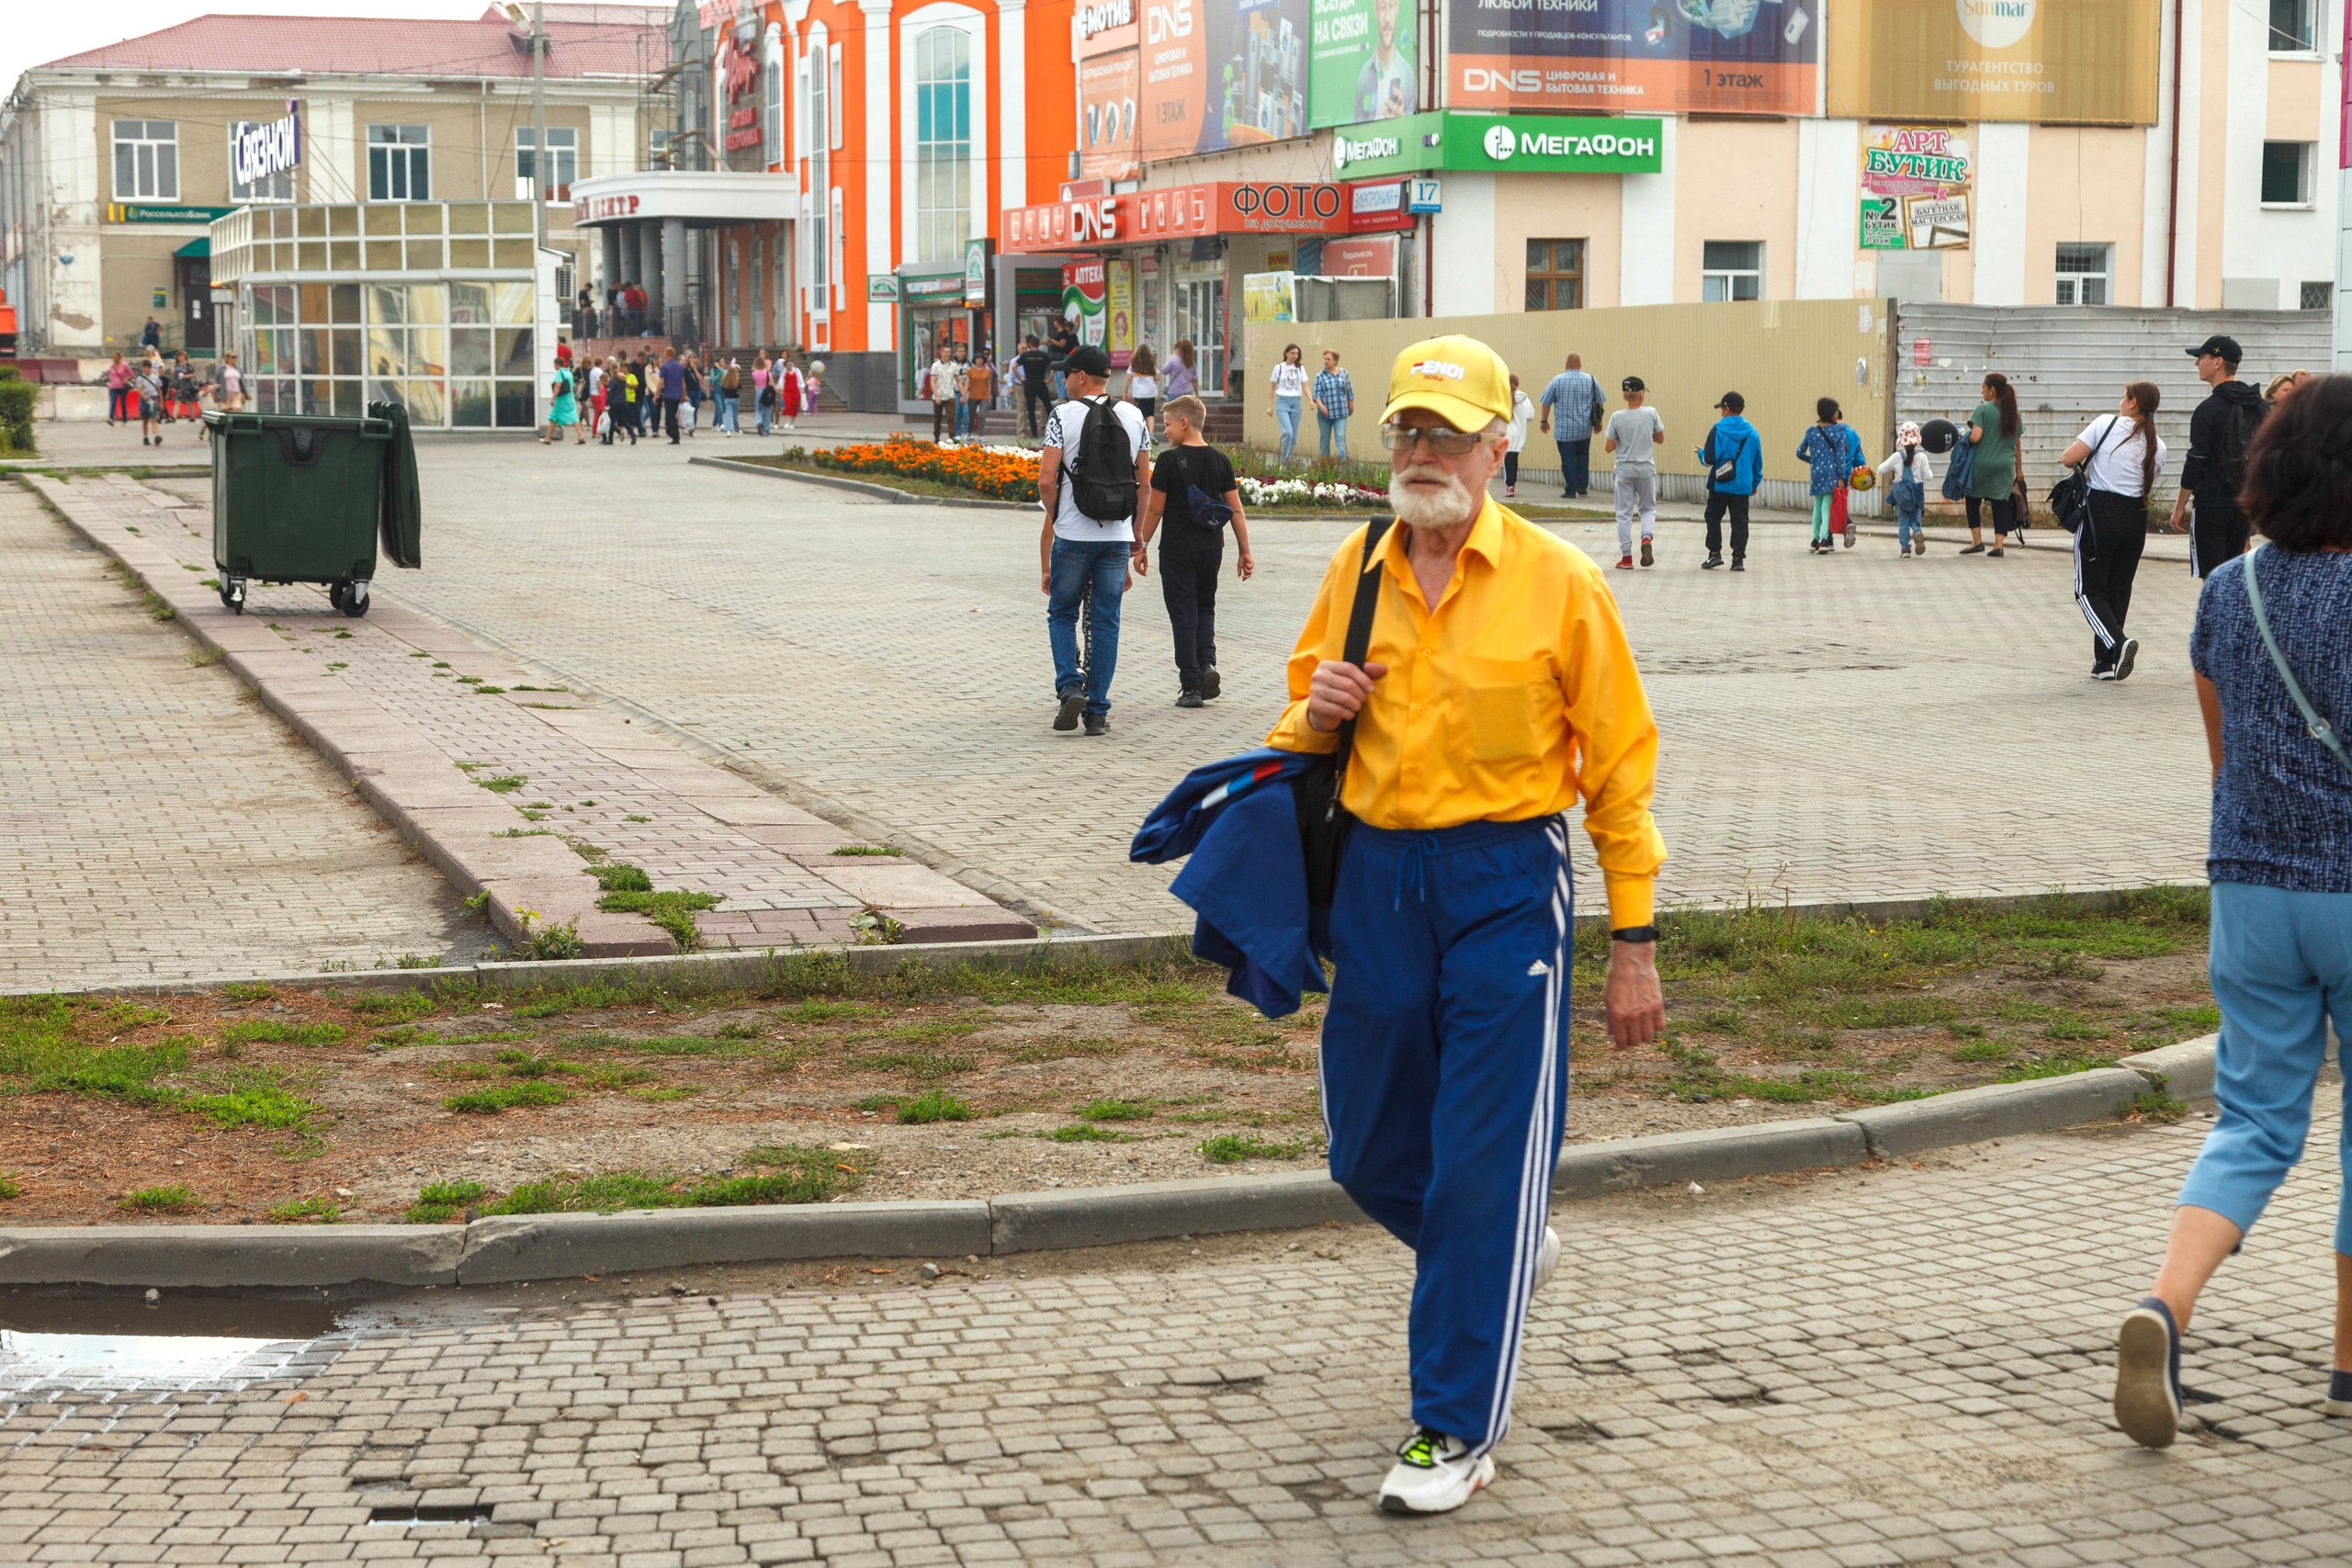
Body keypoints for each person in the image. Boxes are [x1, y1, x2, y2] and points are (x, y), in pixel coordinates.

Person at [1267, 333, 1665, 1516]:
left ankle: (1453, 1427)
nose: (1422, 452)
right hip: (1377, 879)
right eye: (1406, 429)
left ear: (1503, 444)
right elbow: (1297, 723)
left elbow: (1621, 771)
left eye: (1447, 432)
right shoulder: (1357, 569)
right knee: (1367, 1153)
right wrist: (1315, 705)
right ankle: (1500, 1246)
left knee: (1484, 1163)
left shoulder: (1559, 582)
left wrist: (1632, 942)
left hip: (1507, 885)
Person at [2110, 373, 2352, 1452]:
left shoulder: (2226, 590)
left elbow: (2225, 761)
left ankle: (2165, 1307)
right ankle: (2349, 1366)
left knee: (2252, 1120)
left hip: (2249, 888)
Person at [1039, 344, 1151, 737]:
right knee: (1106, 622)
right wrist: (1136, 533)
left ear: (1081, 377)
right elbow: (1145, 483)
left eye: (1066, 374)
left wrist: (1056, 518)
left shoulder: (1061, 415)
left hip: (1072, 533)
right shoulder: (1135, 416)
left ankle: (1070, 686)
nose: (1063, 380)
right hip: (1118, 535)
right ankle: (1098, 712)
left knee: (1062, 613)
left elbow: (1046, 479)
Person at [1135, 392, 1254, 707]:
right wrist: (1245, 551)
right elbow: (1236, 510)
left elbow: (1155, 511)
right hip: (1212, 548)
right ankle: (1207, 664)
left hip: (1177, 551)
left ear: (1184, 423)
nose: (1165, 432)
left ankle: (1190, 686)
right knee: (1205, 608)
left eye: (1168, 425)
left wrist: (1141, 545)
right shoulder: (1221, 460)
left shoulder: (1169, 462)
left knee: (1183, 615)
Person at [2060, 381, 2167, 682]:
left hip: (2100, 514)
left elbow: (2069, 458)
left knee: (2087, 590)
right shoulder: (2159, 445)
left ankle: (2118, 644)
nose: (2121, 401)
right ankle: (2104, 664)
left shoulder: (2105, 423)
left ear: (2133, 402)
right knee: (2118, 588)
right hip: (2136, 518)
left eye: (2124, 396)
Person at [2171, 334, 2267, 579]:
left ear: (2218, 362)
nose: (2197, 364)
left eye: (2201, 357)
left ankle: (2216, 618)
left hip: (2212, 503)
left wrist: (2180, 505)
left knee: (2213, 578)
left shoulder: (2208, 409)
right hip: (2245, 504)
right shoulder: (2259, 405)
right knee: (2234, 576)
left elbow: (2196, 460)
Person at [1603, 376, 1663, 570]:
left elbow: (1609, 447)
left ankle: (1626, 558)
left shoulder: (1616, 417)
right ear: (1642, 395)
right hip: (1646, 469)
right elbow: (1660, 438)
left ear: (1624, 396)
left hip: (1624, 470)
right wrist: (1646, 435)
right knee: (1647, 509)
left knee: (1623, 514)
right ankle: (1646, 539)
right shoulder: (1651, 413)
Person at [1698, 391, 1762, 571]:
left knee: (1713, 516)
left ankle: (1715, 554)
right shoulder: (1752, 433)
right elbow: (1757, 461)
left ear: (1726, 408)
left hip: (1720, 483)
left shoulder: (1717, 430)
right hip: (1742, 485)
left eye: (1722, 408)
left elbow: (1710, 458)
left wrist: (1701, 453)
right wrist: (1754, 483)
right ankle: (1738, 558)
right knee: (1740, 521)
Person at [1960, 371, 2021, 557]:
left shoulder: (1983, 410)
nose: (1982, 392)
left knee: (1972, 500)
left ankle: (1977, 541)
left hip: (1982, 465)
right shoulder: (2013, 412)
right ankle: (1998, 545)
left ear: (1992, 390)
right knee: (2000, 503)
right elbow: (2017, 443)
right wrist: (2019, 470)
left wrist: (1963, 436)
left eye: (1983, 388)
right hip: (2006, 466)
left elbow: (1976, 437)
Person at [1536, 354, 1602, 499]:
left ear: (1566, 365)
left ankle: (1570, 490)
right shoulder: (1590, 380)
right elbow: (1600, 402)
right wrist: (1599, 422)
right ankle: (1582, 485)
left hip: (1564, 430)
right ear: (1580, 364)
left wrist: (1544, 421)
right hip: (1584, 428)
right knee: (1583, 455)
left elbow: (1546, 403)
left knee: (1567, 458)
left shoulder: (1557, 380)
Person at [1797, 398, 1851, 556]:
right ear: (1830, 412)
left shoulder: (1812, 431)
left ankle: (1814, 540)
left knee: (1817, 506)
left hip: (1816, 473)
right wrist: (1841, 477)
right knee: (1827, 506)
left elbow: (1799, 452)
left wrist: (1813, 461)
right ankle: (1824, 540)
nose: (1837, 413)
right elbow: (1840, 456)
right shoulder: (1838, 430)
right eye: (1835, 410)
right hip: (1831, 473)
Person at [1875, 420, 1934, 561]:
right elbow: (1929, 477)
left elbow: (1881, 468)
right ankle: (1918, 531)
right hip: (1917, 495)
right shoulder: (1922, 457)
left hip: (1900, 495)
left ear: (1901, 440)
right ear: (1917, 440)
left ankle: (1905, 549)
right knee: (1915, 519)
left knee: (1903, 521)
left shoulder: (1897, 457)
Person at [1353, 0, 1416, 118]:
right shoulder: (1364, 76)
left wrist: (1401, 121)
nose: (1387, 18)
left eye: (1391, 7)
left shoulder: (1408, 73)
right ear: (1376, 12)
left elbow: (1411, 128)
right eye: (1382, 8)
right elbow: (1356, 127)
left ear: (1397, 8)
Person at [1313, 349, 1355, 460]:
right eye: (1325, 359)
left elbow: (1350, 391)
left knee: (1340, 437)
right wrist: (1321, 406)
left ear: (1335, 361)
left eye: (1329, 359)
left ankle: (1342, 467)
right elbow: (1316, 395)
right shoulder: (1320, 376)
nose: (1326, 361)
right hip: (1325, 414)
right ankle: (1325, 466)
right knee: (1325, 439)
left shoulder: (1344, 373)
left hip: (1341, 413)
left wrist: (1351, 405)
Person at [1269, 343, 1308, 462]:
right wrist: (1270, 406)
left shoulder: (1300, 368)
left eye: (1296, 353)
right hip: (1282, 401)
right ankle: (1284, 460)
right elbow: (1271, 387)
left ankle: (1288, 461)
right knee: (1287, 432)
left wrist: (1310, 400)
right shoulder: (1279, 368)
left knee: (1294, 435)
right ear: (1286, 353)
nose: (1294, 356)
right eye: (1292, 353)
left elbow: (1305, 385)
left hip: (1296, 401)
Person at [1502, 374, 1534, 498]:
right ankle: (1512, 484)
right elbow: (1530, 415)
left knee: (1508, 461)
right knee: (1514, 460)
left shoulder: (1502, 397)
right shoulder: (1523, 397)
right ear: (1518, 383)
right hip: (1519, 434)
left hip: (1507, 433)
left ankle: (1510, 486)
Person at [1017, 335, 1054, 438]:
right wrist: (1049, 379)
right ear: (1039, 344)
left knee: (1031, 408)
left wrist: (1020, 378)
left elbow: (1014, 366)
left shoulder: (1025, 355)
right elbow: (1053, 367)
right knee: (1048, 406)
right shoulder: (1043, 355)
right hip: (1041, 382)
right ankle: (1054, 428)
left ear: (1029, 344)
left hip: (1029, 383)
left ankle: (1034, 433)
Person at [543, 356, 582, 446]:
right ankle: (580, 436)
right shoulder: (569, 372)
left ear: (556, 364)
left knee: (553, 417)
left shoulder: (559, 373)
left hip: (561, 400)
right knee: (574, 417)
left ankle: (548, 438)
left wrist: (553, 398)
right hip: (570, 398)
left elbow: (558, 386)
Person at [929, 343, 960, 442]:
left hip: (950, 395)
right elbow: (933, 381)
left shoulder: (954, 366)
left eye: (949, 352)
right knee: (937, 418)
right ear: (941, 353)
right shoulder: (935, 366)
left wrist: (963, 394)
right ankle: (937, 436)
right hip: (938, 395)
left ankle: (952, 436)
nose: (947, 354)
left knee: (951, 417)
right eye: (945, 352)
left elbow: (958, 380)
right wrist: (937, 395)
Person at [656, 346, 686, 444]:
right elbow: (683, 382)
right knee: (672, 415)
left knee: (670, 416)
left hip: (669, 394)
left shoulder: (665, 367)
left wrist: (655, 395)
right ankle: (673, 433)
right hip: (677, 395)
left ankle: (675, 435)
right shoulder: (680, 367)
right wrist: (684, 395)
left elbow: (661, 382)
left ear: (666, 354)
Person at [133, 357, 164, 446]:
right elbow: (139, 389)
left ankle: (156, 436)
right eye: (145, 367)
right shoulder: (140, 378)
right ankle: (145, 437)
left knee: (153, 418)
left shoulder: (155, 377)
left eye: (148, 367)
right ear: (142, 368)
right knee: (145, 419)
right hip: (144, 400)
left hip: (153, 398)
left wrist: (161, 402)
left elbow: (159, 390)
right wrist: (144, 396)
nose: (146, 369)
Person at [1046, 317, 1079, 400]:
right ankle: (1060, 395)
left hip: (1065, 355)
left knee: (1061, 376)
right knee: (1057, 377)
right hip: (1059, 355)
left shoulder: (1070, 335)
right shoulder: (1060, 333)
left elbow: (1071, 346)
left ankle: (1063, 396)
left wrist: (1071, 354)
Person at [1126, 344, 1158, 424]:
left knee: (1140, 413)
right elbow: (1157, 377)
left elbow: (1129, 378)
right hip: (1150, 393)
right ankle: (1151, 434)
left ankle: (1142, 432)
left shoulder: (1133, 364)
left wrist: (1125, 391)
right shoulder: (1152, 364)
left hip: (1138, 394)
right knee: (1150, 414)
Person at [1162, 339, 1199, 403]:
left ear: (1180, 349)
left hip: (1174, 392)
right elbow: (1195, 380)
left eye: (1176, 348)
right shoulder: (1192, 362)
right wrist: (1197, 393)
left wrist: (1168, 360)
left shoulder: (1173, 359)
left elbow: (1164, 371)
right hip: (1188, 392)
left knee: (1172, 412)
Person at [777, 354, 805, 434]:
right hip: (787, 391)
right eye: (788, 364)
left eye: (790, 363)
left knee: (794, 407)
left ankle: (792, 423)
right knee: (788, 405)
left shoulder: (797, 371)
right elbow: (781, 381)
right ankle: (787, 422)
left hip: (795, 391)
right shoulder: (784, 372)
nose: (789, 365)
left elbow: (800, 380)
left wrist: (802, 388)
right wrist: (781, 389)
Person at [106, 352, 131, 426]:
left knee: (123, 403)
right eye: (113, 357)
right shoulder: (111, 366)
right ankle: (111, 418)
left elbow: (131, 374)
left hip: (122, 387)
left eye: (116, 357)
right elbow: (110, 376)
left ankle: (124, 419)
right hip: (113, 387)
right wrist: (110, 385)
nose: (114, 359)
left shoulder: (124, 365)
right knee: (113, 403)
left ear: (120, 357)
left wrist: (126, 379)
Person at [718, 358, 741, 434]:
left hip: (727, 398)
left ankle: (728, 429)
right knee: (735, 415)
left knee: (728, 414)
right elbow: (739, 390)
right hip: (735, 399)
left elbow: (722, 389)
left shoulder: (725, 380)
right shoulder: (737, 380)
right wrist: (738, 393)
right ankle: (737, 430)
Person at [216, 350, 243, 414]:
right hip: (226, 393)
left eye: (235, 357)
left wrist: (246, 393)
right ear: (227, 358)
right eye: (233, 357)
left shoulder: (238, 368)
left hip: (236, 393)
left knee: (237, 411)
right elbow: (217, 380)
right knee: (225, 412)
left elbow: (242, 381)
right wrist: (216, 393)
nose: (235, 359)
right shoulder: (221, 368)